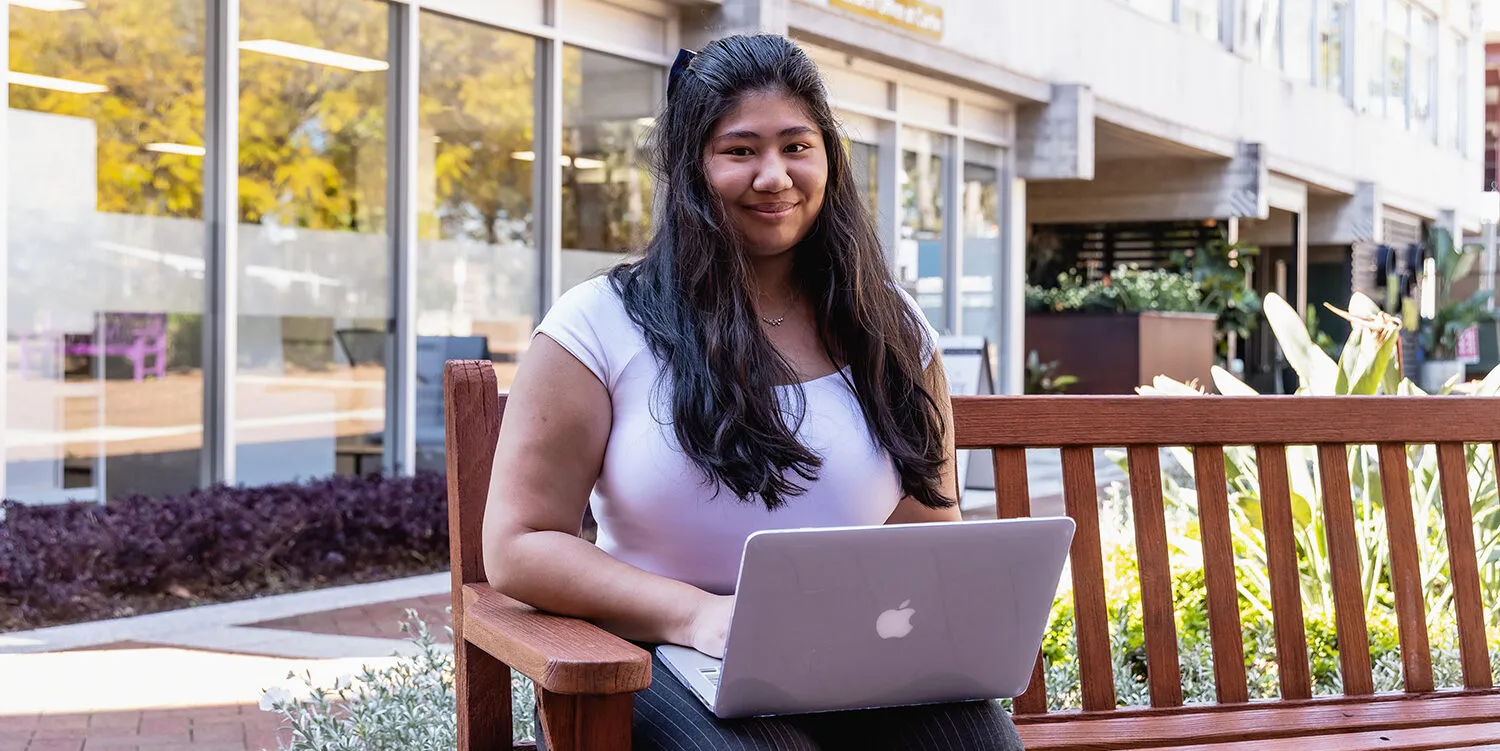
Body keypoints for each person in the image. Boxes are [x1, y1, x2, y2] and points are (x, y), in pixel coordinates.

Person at [484, 32, 1026, 751]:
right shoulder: (597, 325)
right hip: (662, 655)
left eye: (796, 146)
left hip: (854, 657)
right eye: (740, 151)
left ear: (827, 156)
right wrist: (697, 615)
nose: (774, 175)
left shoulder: (891, 327)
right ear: (690, 167)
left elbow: (927, 532)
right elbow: (520, 544)